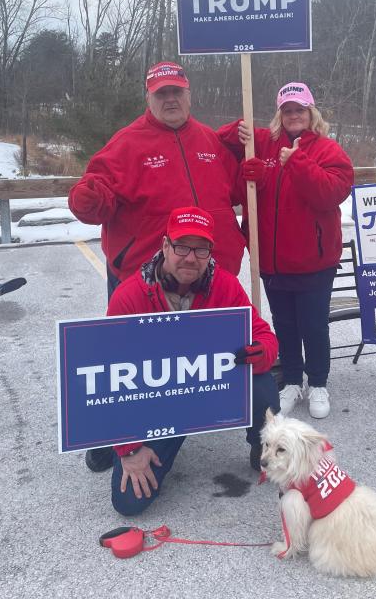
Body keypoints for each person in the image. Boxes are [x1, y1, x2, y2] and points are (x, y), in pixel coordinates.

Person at [68, 61, 247, 472]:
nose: (170, 99)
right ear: (148, 98)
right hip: (143, 277)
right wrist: (88, 197)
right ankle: (109, 438)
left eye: (176, 92)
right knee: (127, 364)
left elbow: (234, 190)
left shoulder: (208, 141)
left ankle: (181, 421)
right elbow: (98, 192)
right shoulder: (126, 143)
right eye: (161, 93)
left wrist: (244, 159)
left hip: (203, 273)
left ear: (189, 95)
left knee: (186, 359)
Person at [105, 206, 281, 517]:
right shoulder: (129, 296)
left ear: (211, 251)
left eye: (201, 249)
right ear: (165, 246)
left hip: (206, 390)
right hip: (156, 401)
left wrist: (262, 351)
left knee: (262, 380)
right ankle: (102, 441)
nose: (191, 257)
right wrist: (128, 448)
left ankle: (261, 444)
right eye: (182, 246)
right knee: (129, 502)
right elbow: (108, 375)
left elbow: (264, 334)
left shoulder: (224, 284)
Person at [219, 82, 354, 419]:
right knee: (284, 325)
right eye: (288, 110)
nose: (294, 115)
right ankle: (292, 379)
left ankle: (318, 382)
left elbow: (329, 194)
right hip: (271, 261)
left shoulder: (328, 150)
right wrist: (246, 166)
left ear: (311, 113)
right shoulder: (262, 143)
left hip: (313, 262)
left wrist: (297, 162)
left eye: (300, 109)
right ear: (280, 114)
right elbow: (224, 147)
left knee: (313, 325)